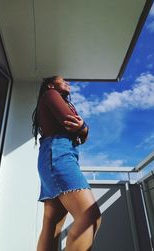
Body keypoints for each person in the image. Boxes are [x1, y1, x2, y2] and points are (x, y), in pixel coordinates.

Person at [32, 76, 101, 251]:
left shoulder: (57, 100)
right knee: (90, 216)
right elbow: (72, 121)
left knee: (52, 224)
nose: (68, 83)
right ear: (50, 84)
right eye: (63, 80)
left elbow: (80, 137)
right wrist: (83, 127)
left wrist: (82, 129)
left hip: (55, 154)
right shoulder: (50, 94)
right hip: (58, 154)